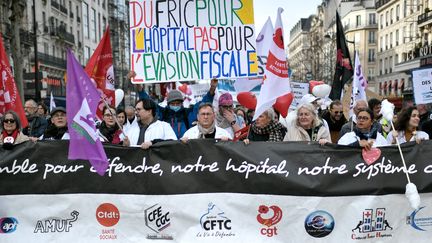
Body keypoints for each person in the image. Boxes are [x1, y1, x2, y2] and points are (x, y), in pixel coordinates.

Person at [131, 71, 216, 138]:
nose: (175, 105)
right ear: (168, 104)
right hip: (167, 149)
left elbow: (202, 105)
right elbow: (148, 102)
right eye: (173, 103)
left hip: (186, 148)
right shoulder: (162, 113)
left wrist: (212, 89)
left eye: (178, 103)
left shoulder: (188, 113)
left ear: (182, 103)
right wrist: (138, 85)